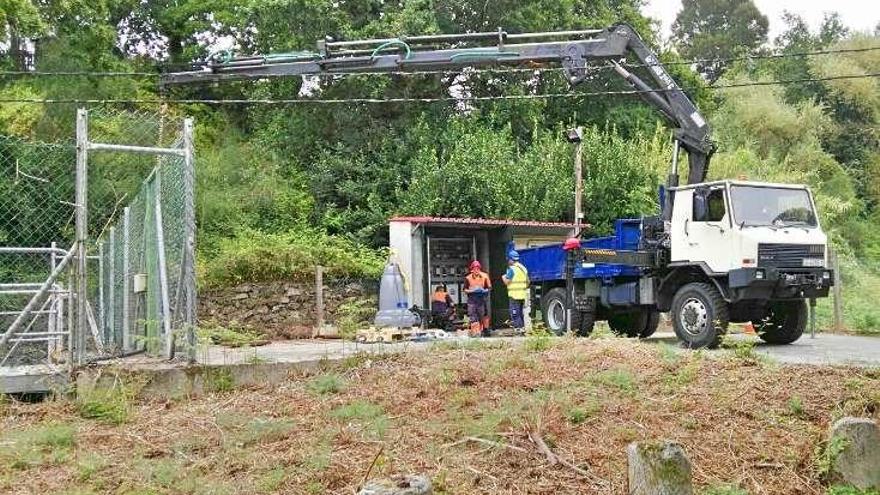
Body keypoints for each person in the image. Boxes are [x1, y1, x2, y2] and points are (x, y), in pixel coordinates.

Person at [502, 250, 529, 333]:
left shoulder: (511, 269)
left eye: (508, 259)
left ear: (511, 259)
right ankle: (522, 328)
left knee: (515, 313)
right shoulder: (523, 268)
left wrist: (503, 277)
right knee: (520, 313)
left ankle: (518, 329)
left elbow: (507, 282)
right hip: (522, 295)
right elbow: (528, 282)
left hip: (514, 295)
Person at [463, 260, 492, 337]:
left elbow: (489, 288)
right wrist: (472, 291)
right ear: (472, 269)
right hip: (472, 299)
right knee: (473, 316)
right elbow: (465, 290)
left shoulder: (485, 276)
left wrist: (484, 290)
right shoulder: (468, 278)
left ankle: (486, 330)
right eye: (475, 269)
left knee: (484, 315)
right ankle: (476, 332)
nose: (476, 270)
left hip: (482, 298)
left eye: (478, 269)